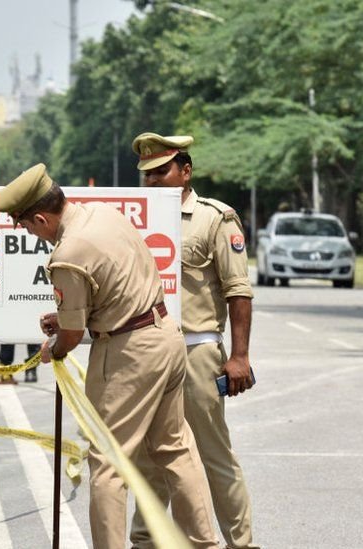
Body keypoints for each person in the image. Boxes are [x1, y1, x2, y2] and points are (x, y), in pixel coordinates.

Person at [0, 164, 219, 549]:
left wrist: (54, 349)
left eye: (27, 226)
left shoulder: (67, 254)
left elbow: (71, 336)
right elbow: (114, 287)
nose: (31, 234)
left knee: (109, 463)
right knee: (175, 449)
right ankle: (204, 543)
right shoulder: (103, 214)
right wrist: (69, 318)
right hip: (165, 334)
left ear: (41, 218)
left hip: (129, 353)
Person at [129, 133, 259, 549]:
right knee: (151, 457)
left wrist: (239, 356)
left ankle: (241, 543)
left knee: (213, 454)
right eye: (147, 174)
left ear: (185, 172)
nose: (152, 181)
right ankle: (145, 541)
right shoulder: (133, 220)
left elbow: (238, 289)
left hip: (195, 350)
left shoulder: (214, 218)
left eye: (161, 171)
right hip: (147, 353)